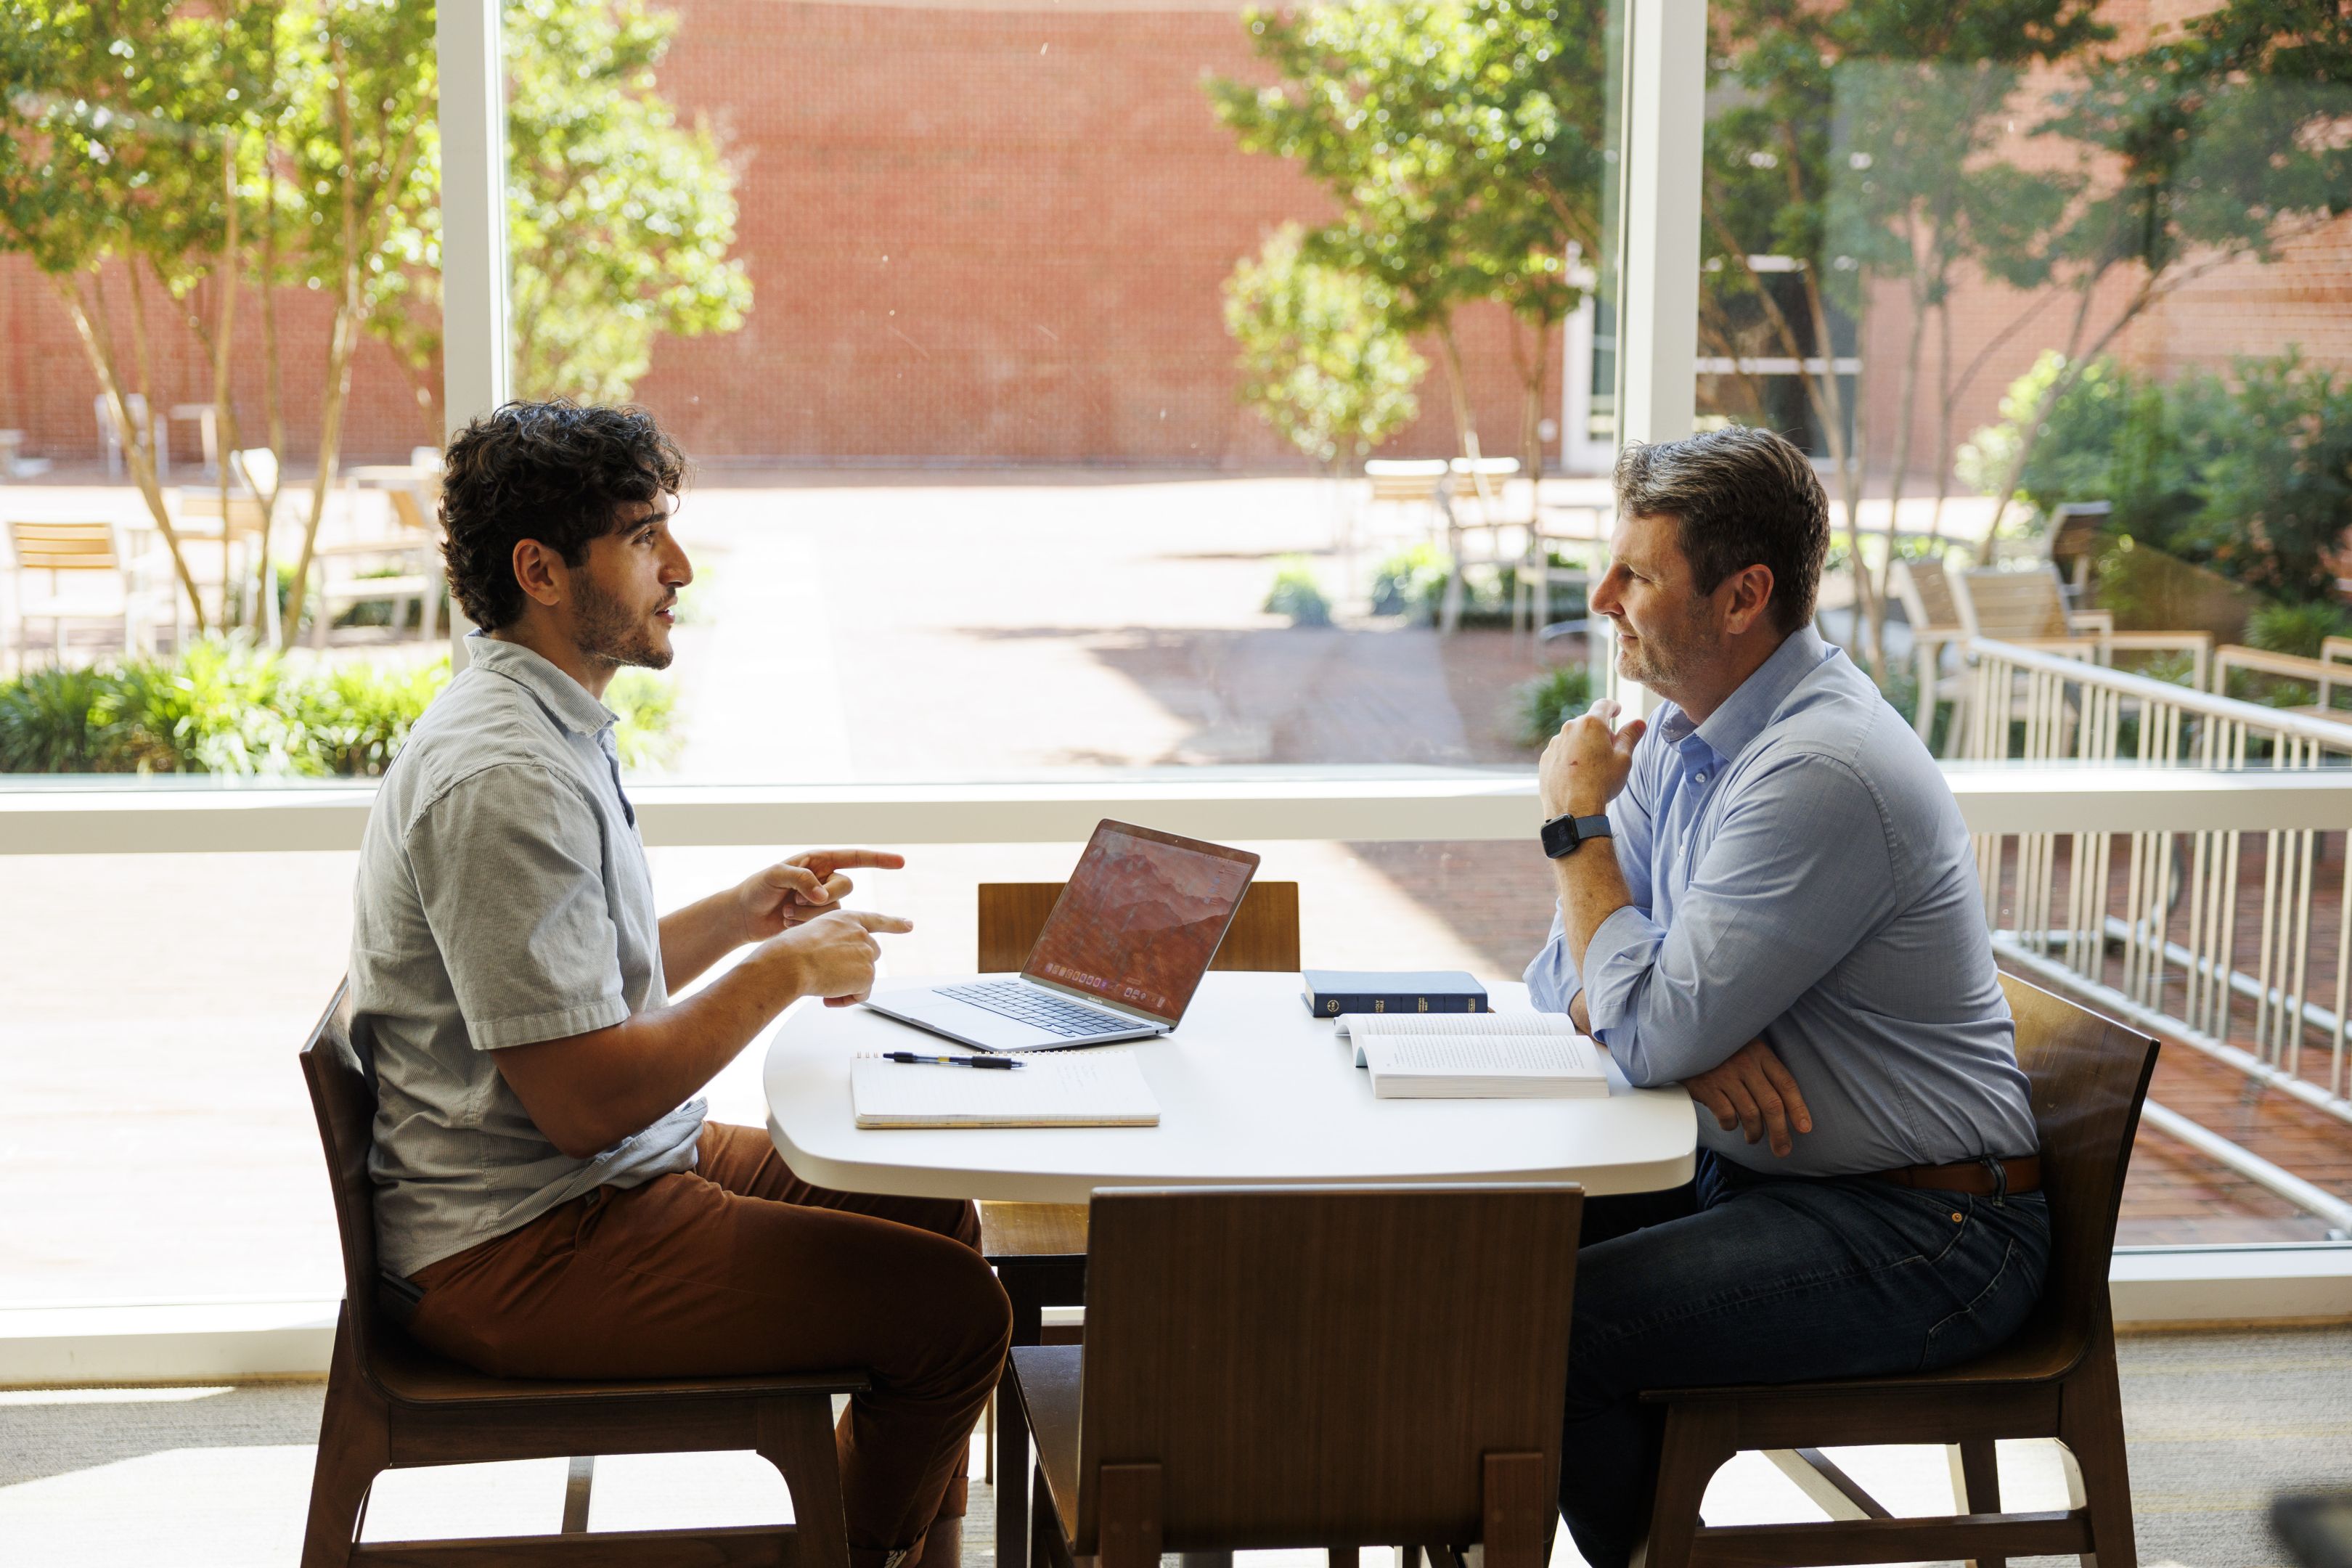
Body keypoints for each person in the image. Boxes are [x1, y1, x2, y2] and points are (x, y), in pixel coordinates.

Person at [349, 401, 1009, 1568]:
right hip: (526, 1242)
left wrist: (741, 913)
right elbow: (584, 1102)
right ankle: (854, 1552)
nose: (682, 569)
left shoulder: (543, 725)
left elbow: (562, 989)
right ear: (541, 570)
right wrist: (779, 972)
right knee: (954, 1317)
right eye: (647, 537)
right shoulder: (505, 774)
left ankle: (905, 1550)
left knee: (940, 1224)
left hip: (595, 1185)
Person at [1525, 426, 2049, 1568]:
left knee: (1548, 1330)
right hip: (1761, 1176)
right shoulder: (1677, 734)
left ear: (1743, 597)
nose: (1602, 595)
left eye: (1639, 574)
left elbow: (1634, 1007)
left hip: (1930, 1228)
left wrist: (1578, 834)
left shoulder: (1820, 770)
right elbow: (1558, 981)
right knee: (1480, 1259)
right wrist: (1673, 1037)